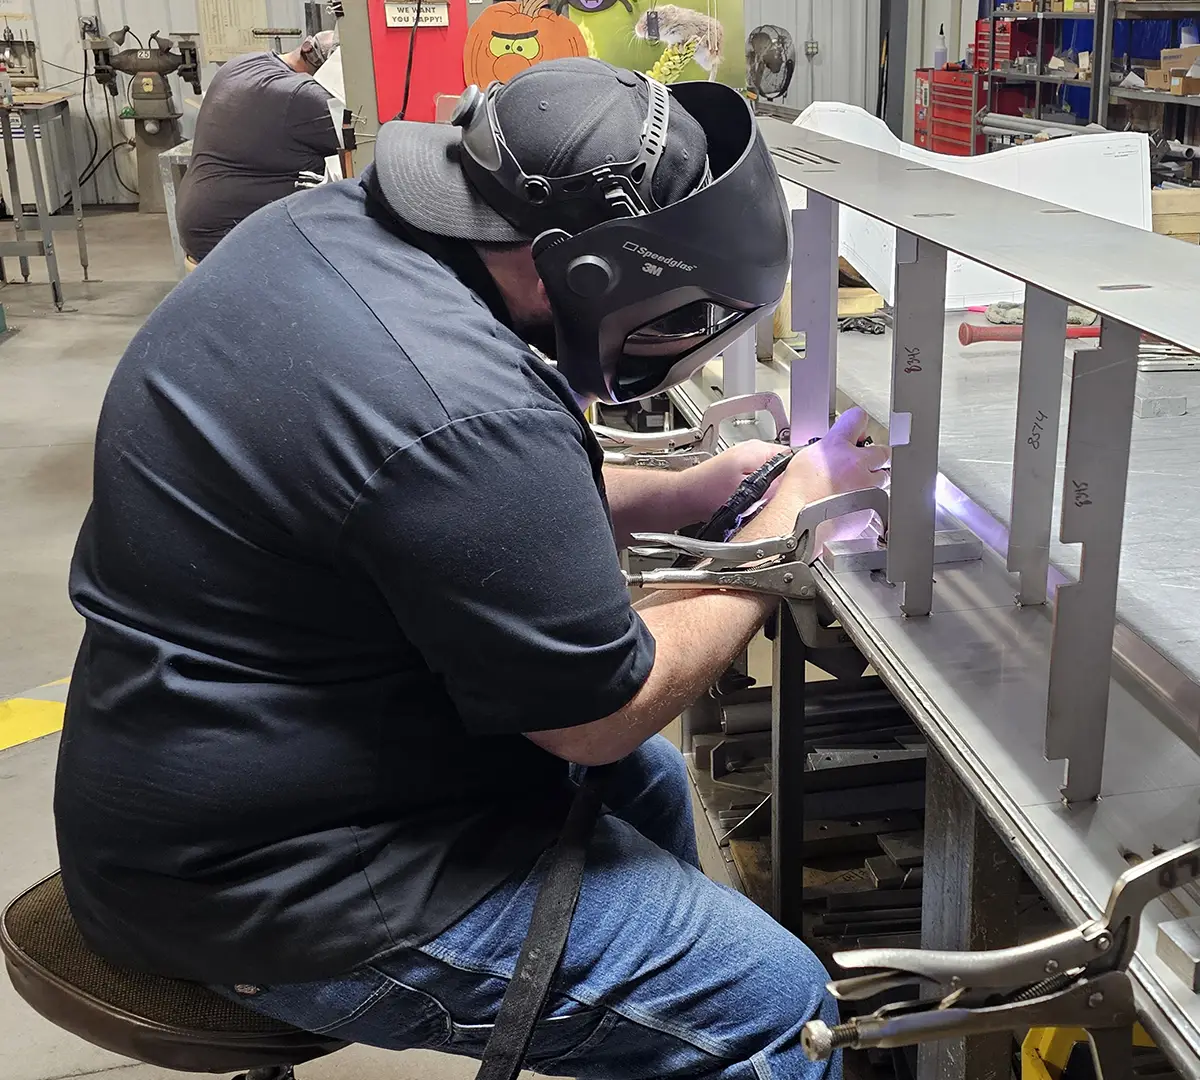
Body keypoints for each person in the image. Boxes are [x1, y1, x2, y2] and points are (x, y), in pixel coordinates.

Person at [56, 58, 889, 1080]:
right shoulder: (461, 400)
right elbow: (600, 709)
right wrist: (774, 546)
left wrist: (680, 491)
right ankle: (704, 1038)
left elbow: (432, 509)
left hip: (204, 777)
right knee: (777, 1004)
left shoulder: (320, 235)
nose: (673, 327)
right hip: (276, 883)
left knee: (650, 785)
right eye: (665, 298)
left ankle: (649, 1041)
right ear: (570, 267)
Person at [174, 30, 340, 262]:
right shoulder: (302, 95)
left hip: (203, 223)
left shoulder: (245, 63)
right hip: (228, 237)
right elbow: (371, 138)